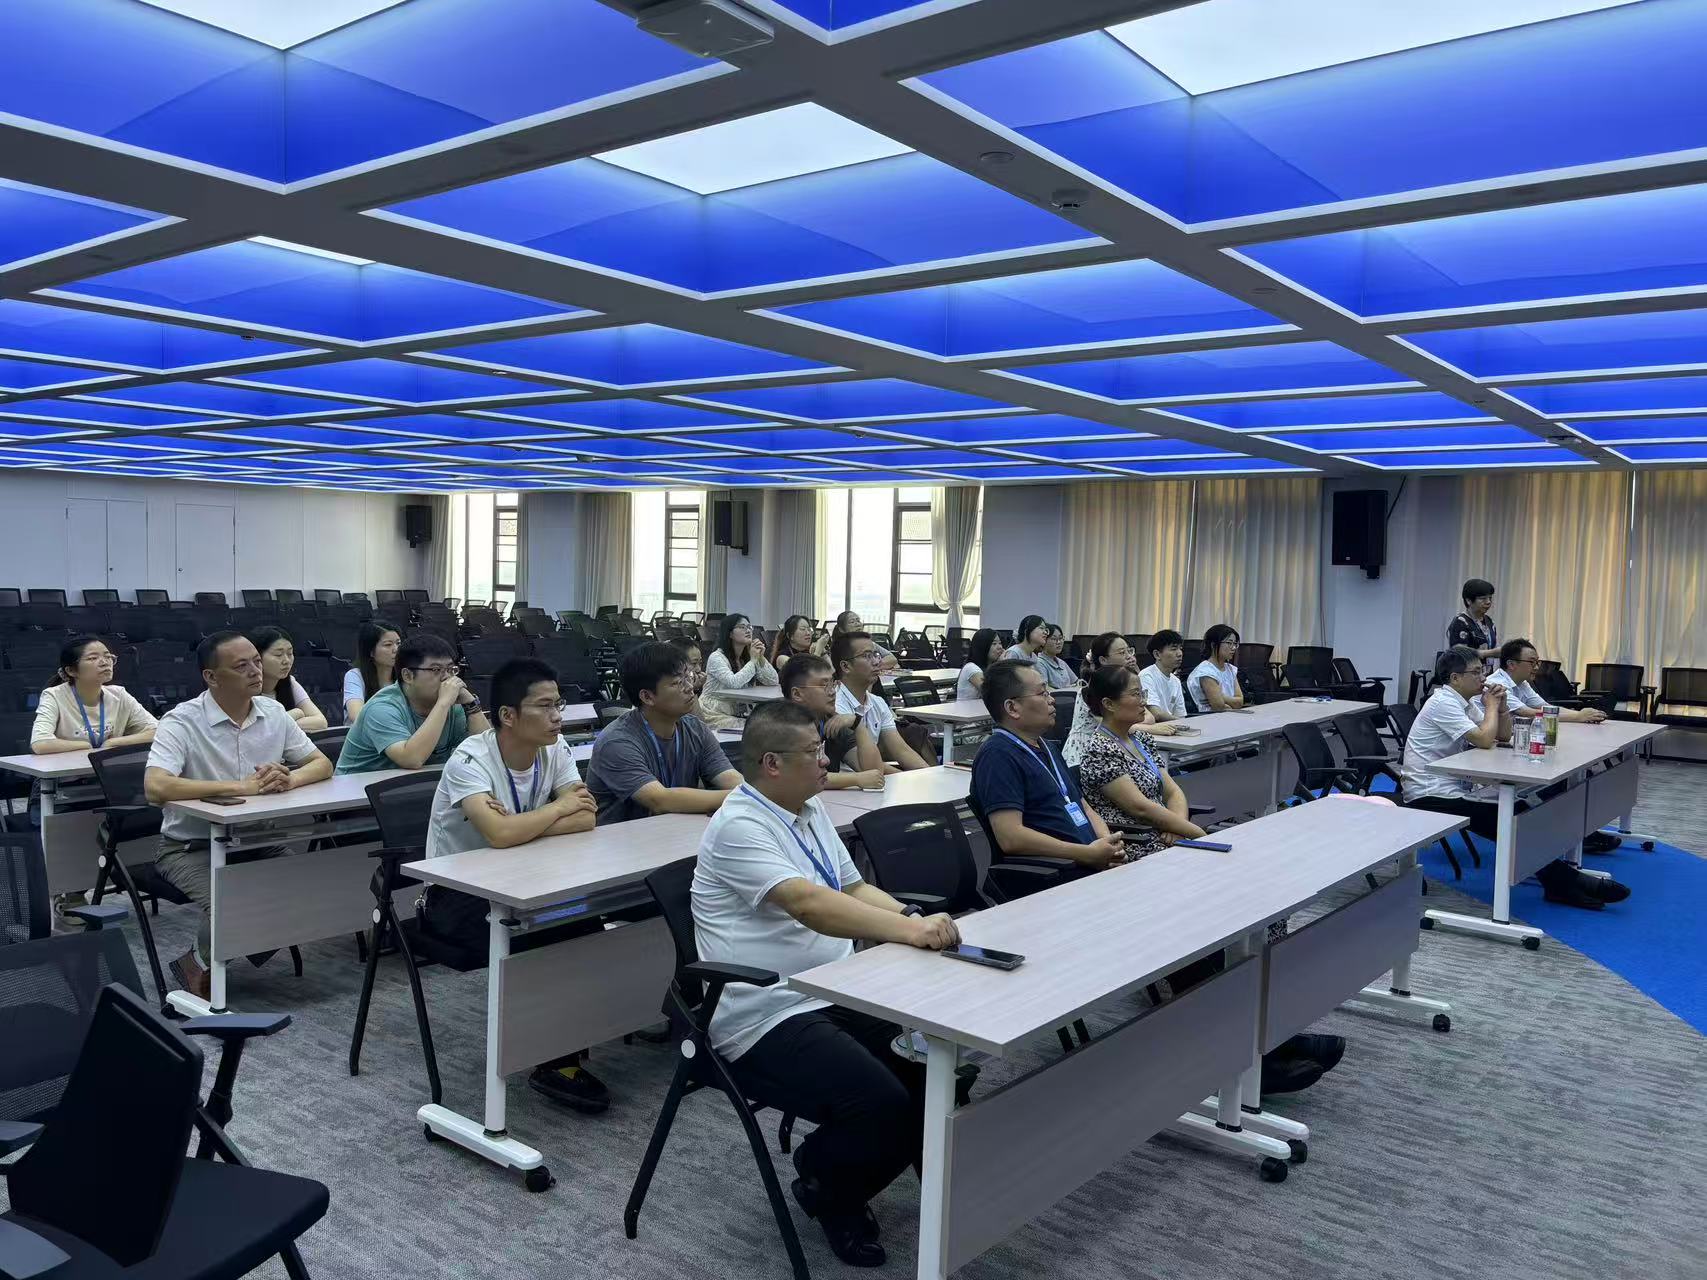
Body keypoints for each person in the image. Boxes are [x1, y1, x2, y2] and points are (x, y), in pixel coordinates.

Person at [692, 701, 959, 1268]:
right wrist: (911, 933)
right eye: (813, 752)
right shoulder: (740, 825)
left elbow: (852, 888)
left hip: (836, 988)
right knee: (880, 1102)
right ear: (771, 764)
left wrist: (910, 918)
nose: (825, 761)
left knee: (936, 1070)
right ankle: (827, 1182)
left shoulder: (807, 809)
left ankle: (937, 1185)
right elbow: (808, 904)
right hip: (766, 1009)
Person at [422, 657, 607, 1113]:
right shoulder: (470, 760)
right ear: (508, 715)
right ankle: (550, 1058)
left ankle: (560, 1052)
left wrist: (523, 826)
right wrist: (555, 810)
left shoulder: (554, 749)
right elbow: (500, 835)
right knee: (548, 935)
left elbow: (586, 817)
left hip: (526, 880)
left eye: (558, 704)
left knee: (584, 923)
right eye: (544, 706)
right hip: (457, 896)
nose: (557, 716)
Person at [144, 631, 333, 999]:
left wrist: (289, 778)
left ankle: (200, 959)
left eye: (257, 662)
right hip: (191, 847)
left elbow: (321, 763)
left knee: (307, 892)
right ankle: (208, 964)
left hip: (257, 839)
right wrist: (240, 787)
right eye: (241, 665)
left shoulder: (273, 712)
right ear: (211, 677)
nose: (255, 671)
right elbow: (156, 787)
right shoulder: (182, 720)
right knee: (235, 904)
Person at [1401, 647, 1629, 910]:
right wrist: (1491, 706)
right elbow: (1484, 739)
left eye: (1483, 671)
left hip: (1455, 785)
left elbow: (1502, 735)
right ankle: (1561, 881)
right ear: (1455, 678)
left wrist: (1501, 709)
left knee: (1522, 809)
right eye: (1476, 672)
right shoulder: (1443, 703)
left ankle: (1558, 879)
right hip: (1429, 793)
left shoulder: (1464, 701)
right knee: (1506, 815)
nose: (1483, 678)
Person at [970, 659, 1124, 875]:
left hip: (1091, 864)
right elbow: (1010, 837)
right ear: (1012, 708)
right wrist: (1087, 853)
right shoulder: (998, 755)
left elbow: (1083, 806)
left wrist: (1108, 844)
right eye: (1042, 693)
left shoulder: (1046, 746)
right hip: (1054, 875)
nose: (1052, 700)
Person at [584, 642, 743, 824]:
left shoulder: (696, 729)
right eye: (677, 683)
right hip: (621, 838)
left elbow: (729, 777)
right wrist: (745, 797)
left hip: (676, 830)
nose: (689, 687)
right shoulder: (616, 742)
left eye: (688, 677)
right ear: (647, 697)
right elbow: (659, 800)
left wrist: (749, 793)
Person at [1075, 664, 1205, 858]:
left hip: (1165, 836)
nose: (1144, 701)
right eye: (1136, 694)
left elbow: (1172, 792)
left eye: (1143, 693)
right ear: (1109, 704)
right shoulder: (1100, 750)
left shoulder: (1141, 739)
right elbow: (1141, 808)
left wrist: (1179, 830)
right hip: (1136, 843)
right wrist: (1198, 833)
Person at [335, 632, 489, 774]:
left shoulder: (452, 706)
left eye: (450, 669)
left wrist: (471, 705)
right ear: (408, 676)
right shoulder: (381, 708)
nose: (447, 678)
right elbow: (411, 759)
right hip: (356, 790)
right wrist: (443, 704)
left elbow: (487, 754)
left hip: (413, 787)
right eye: (436, 670)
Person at [1063, 633, 1175, 768]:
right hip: (1085, 754)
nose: (1129, 656)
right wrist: (1152, 729)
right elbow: (1111, 727)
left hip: (1117, 747)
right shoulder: (1092, 691)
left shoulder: (1126, 687)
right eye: (1122, 653)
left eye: (1129, 651)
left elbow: (1149, 718)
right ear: (1103, 660)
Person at [30, 635, 157, 754]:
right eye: (93, 658)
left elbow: (158, 731)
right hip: (67, 770)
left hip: (108, 769)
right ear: (71, 670)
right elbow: (40, 743)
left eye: (108, 657)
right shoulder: (54, 696)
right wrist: (86, 746)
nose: (105, 662)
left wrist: (113, 743)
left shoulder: (119, 695)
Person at [780, 654, 884, 790]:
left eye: (833, 684)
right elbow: (800, 776)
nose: (832, 692)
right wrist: (856, 779)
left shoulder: (831, 722)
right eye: (824, 685)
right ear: (797, 694)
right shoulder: (782, 726)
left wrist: (857, 724)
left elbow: (874, 773)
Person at [831, 631, 931, 770]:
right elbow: (864, 766)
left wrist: (929, 775)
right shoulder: (835, 705)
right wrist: (909, 778)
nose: (876, 662)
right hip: (851, 780)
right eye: (867, 656)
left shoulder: (877, 702)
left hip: (876, 778)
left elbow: (902, 751)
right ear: (845, 666)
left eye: (876, 655)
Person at [1482, 639, 1607, 725]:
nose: (1537, 667)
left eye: (1538, 662)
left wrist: (1582, 714)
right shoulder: (1496, 683)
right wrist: (1578, 717)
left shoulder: (1522, 683)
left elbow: (1546, 708)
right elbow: (1527, 713)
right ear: (1511, 664)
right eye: (1532, 662)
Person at [700, 613, 779, 728]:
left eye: (749, 627)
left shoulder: (747, 657)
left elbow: (773, 680)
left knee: (770, 723)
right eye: (742, 627)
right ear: (730, 633)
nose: (748, 630)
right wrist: (753, 660)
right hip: (713, 713)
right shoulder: (717, 657)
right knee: (756, 727)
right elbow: (734, 683)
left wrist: (761, 657)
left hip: (738, 712)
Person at [248, 626, 328, 732]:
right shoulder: (243, 688)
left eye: (290, 654)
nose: (286, 661)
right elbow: (256, 730)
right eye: (278, 655)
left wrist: (282, 723)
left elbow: (321, 722)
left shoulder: (290, 682)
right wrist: (296, 713)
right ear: (257, 658)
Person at [344, 618, 401, 723]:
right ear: (371, 651)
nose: (396, 649)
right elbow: (356, 715)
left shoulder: (405, 676)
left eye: (398, 643)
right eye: (388, 645)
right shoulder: (355, 675)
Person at [1188, 624, 1245, 712]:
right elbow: (1219, 706)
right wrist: (1228, 702)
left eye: (1235, 644)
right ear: (1213, 645)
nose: (1233, 648)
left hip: (1230, 715)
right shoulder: (1205, 671)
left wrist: (1221, 696)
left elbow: (1240, 702)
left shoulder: (1230, 669)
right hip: (1210, 718)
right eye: (1229, 643)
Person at [818, 611, 898, 673]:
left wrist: (875, 665)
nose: (857, 624)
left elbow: (892, 659)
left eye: (858, 620)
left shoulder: (869, 643)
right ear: (842, 629)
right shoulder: (840, 648)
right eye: (852, 622)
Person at [1447, 578, 1499, 672]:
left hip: (1486, 674)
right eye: (1483, 598)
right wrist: (1491, 653)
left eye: (1490, 598)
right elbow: (1459, 653)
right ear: (1469, 601)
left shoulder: (1489, 621)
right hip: (1467, 674)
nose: (1488, 602)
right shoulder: (1461, 621)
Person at [1140, 630, 1190, 724]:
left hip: (1172, 726)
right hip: (1154, 727)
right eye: (1174, 649)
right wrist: (1183, 724)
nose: (1180, 653)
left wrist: (1183, 724)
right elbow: (1156, 713)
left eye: (1180, 648)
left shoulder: (1176, 681)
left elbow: (1180, 715)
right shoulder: (1146, 676)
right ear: (1157, 654)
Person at [954, 627, 1005, 703]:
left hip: (981, 709)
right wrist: (1003, 664)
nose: (1000, 647)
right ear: (983, 646)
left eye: (1000, 643)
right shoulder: (971, 668)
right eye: (994, 644)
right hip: (967, 710)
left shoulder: (990, 667)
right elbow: (992, 693)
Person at [1035, 624, 1078, 690]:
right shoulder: (1039, 662)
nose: (1059, 642)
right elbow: (1044, 688)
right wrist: (1066, 690)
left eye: (1060, 638)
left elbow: (1076, 682)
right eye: (1054, 639)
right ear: (1043, 641)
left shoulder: (1061, 662)